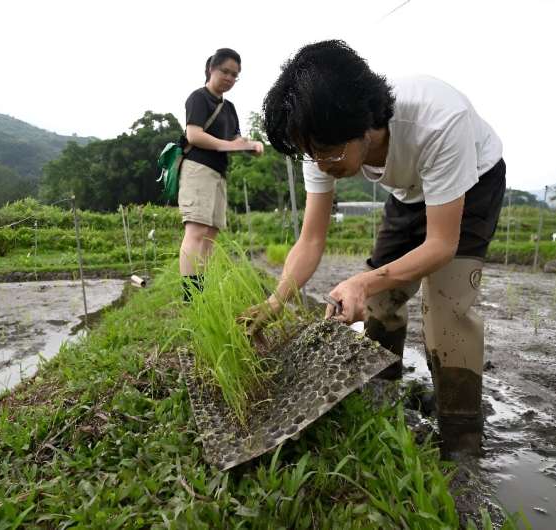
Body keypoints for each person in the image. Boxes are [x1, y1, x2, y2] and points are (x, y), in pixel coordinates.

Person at [250, 40, 506, 458]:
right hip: (409, 193)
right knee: (384, 299)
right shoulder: (320, 143)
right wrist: (277, 300)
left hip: (473, 181)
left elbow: (441, 245)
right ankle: (382, 393)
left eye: (329, 153)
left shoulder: (439, 120)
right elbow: (311, 239)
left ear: (366, 123)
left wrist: (362, 280)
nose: (321, 165)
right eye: (311, 155)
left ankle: (461, 440)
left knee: (447, 308)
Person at [179, 48, 264, 300]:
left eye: (235, 75)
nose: (229, 77)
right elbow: (193, 135)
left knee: (211, 234)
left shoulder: (230, 108)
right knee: (196, 231)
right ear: (211, 69)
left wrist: (251, 145)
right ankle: (191, 297)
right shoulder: (198, 98)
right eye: (225, 71)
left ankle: (200, 293)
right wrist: (230, 145)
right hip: (198, 169)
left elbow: (236, 138)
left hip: (218, 172)